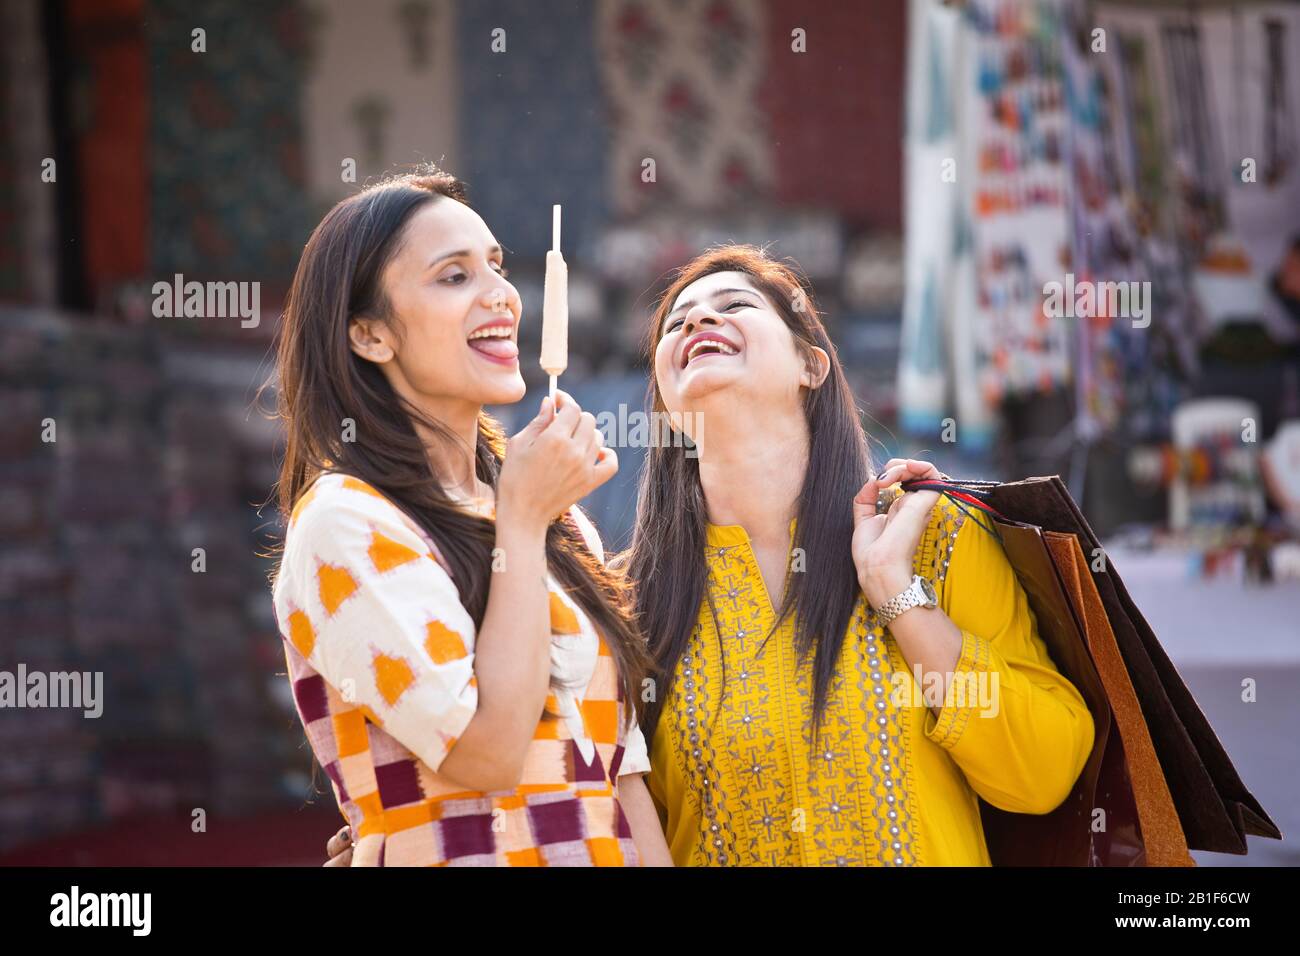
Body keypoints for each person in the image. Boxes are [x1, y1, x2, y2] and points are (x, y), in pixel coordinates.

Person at [621, 244, 1096, 866]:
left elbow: (1042, 774)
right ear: (664, 406)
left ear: (810, 366)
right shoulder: (626, 600)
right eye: (678, 320)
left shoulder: (928, 533)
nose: (696, 322)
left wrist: (896, 592)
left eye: (734, 304)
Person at [270, 167, 672, 866]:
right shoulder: (345, 522)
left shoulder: (549, 513)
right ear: (369, 336)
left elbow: (620, 776)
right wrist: (520, 523)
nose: (502, 297)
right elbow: (485, 752)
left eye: (496, 266)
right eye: (453, 277)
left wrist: (526, 513)